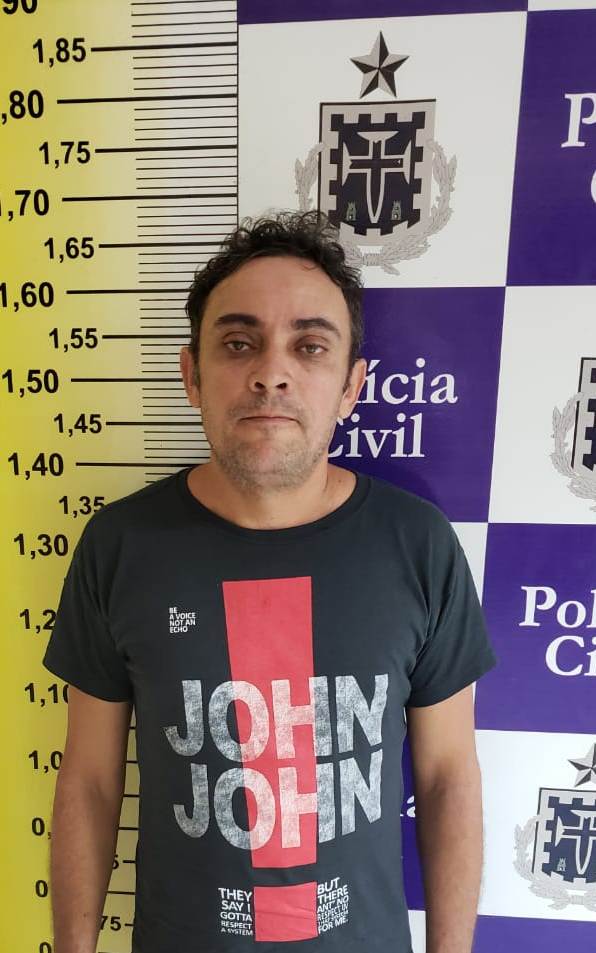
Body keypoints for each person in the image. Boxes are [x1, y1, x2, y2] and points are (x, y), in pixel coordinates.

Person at [42, 209, 497, 953]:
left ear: (350, 387)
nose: (270, 372)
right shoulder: (119, 546)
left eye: (309, 346)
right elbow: (89, 780)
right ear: (191, 375)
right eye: (238, 342)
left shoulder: (418, 545)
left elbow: (448, 776)